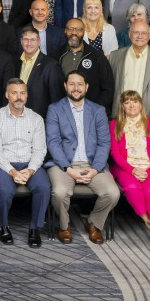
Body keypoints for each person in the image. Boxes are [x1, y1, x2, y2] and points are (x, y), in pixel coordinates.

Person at [45, 70, 118, 244]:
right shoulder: (54, 109)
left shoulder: (98, 110)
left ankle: (93, 222)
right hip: (63, 164)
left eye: (80, 84)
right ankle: (64, 226)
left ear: (86, 87)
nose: (75, 88)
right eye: (71, 84)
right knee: (60, 192)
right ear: (65, 86)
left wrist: (95, 170)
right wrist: (68, 169)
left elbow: (104, 143)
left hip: (92, 164)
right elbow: (53, 142)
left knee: (113, 193)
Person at [0, 78, 50, 248]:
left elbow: (39, 150)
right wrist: (12, 172)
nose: (18, 97)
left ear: (27, 95)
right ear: (7, 95)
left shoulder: (36, 119)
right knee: (4, 189)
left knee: (43, 187)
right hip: (4, 164)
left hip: (29, 163)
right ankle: (3, 226)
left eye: (22, 93)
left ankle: (35, 229)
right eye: (14, 93)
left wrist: (30, 170)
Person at [110, 89, 150, 253]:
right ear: (122, 106)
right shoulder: (115, 124)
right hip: (126, 168)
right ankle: (148, 223)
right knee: (132, 188)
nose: (131, 105)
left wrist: (147, 172)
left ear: (141, 104)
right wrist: (133, 170)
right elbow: (115, 153)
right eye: (127, 102)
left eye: (134, 101)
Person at [108, 21, 150, 119]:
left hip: (149, 115)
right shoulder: (115, 56)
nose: (140, 36)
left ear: (149, 35)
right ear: (129, 34)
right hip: (120, 116)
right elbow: (109, 87)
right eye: (136, 32)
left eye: (144, 33)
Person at [57, 18, 115, 113]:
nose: (74, 33)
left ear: (84, 32)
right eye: (70, 29)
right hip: (63, 112)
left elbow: (108, 87)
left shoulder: (97, 56)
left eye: (78, 29)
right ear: (65, 31)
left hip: (91, 113)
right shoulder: (56, 55)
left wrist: (95, 109)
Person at [14, 26, 61, 118]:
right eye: (26, 39)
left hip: (41, 119)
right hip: (17, 116)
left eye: (33, 40)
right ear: (21, 41)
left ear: (39, 42)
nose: (29, 43)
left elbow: (56, 99)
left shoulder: (51, 65)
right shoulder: (15, 62)